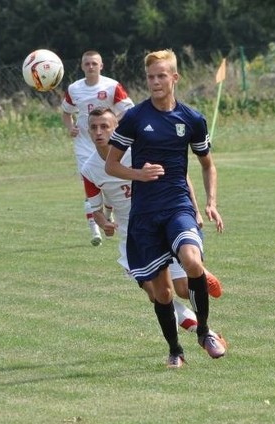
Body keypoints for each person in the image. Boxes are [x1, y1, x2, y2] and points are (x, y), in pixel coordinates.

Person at [105, 49, 226, 368]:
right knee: (162, 292)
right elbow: (111, 165)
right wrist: (139, 174)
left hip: (177, 207)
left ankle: (204, 332)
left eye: (162, 76)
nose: (155, 82)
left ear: (175, 78)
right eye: (150, 76)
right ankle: (175, 350)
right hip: (145, 215)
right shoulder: (135, 117)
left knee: (192, 262)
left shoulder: (192, 119)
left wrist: (211, 202)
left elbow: (207, 165)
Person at [81, 107, 223, 337]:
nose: (99, 132)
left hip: (161, 220)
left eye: (105, 126)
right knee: (156, 294)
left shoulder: (137, 150)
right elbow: (95, 208)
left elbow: (180, 177)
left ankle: (200, 273)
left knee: (184, 290)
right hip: (132, 234)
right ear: (87, 131)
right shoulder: (89, 169)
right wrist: (104, 222)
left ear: (116, 129)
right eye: (94, 127)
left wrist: (195, 210)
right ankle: (206, 333)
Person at [61, 50, 134, 247]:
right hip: (85, 145)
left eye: (94, 63)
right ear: (82, 66)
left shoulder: (111, 86)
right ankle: (95, 229)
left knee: (112, 181)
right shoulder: (74, 88)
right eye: (87, 63)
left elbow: (129, 110)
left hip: (111, 144)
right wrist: (70, 128)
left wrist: (110, 124)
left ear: (101, 66)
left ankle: (108, 215)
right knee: (91, 182)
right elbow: (66, 112)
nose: (91, 67)